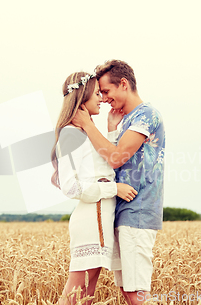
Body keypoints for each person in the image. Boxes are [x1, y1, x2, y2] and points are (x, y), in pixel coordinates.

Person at [71, 60, 165, 305]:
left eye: (106, 91)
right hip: (123, 212)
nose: (103, 98)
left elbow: (115, 158)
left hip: (138, 212)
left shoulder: (146, 115)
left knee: (137, 292)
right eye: (100, 93)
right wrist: (112, 129)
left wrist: (88, 125)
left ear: (123, 84)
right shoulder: (128, 120)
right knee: (128, 290)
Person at [51, 71, 138, 305]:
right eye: (97, 93)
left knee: (85, 295)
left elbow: (105, 165)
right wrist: (114, 189)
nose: (101, 98)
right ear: (83, 96)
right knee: (75, 294)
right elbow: (70, 186)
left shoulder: (83, 133)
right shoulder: (71, 134)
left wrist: (110, 129)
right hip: (92, 218)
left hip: (100, 217)